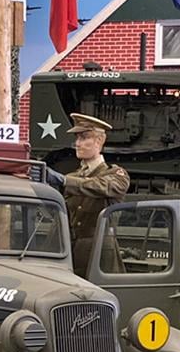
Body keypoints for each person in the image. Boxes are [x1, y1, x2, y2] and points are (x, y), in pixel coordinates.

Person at [45, 113, 129, 273]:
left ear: (99, 140)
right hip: (70, 252)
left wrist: (63, 181)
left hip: (100, 257)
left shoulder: (116, 175)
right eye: (77, 138)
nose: (77, 144)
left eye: (84, 138)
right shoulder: (74, 176)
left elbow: (100, 186)